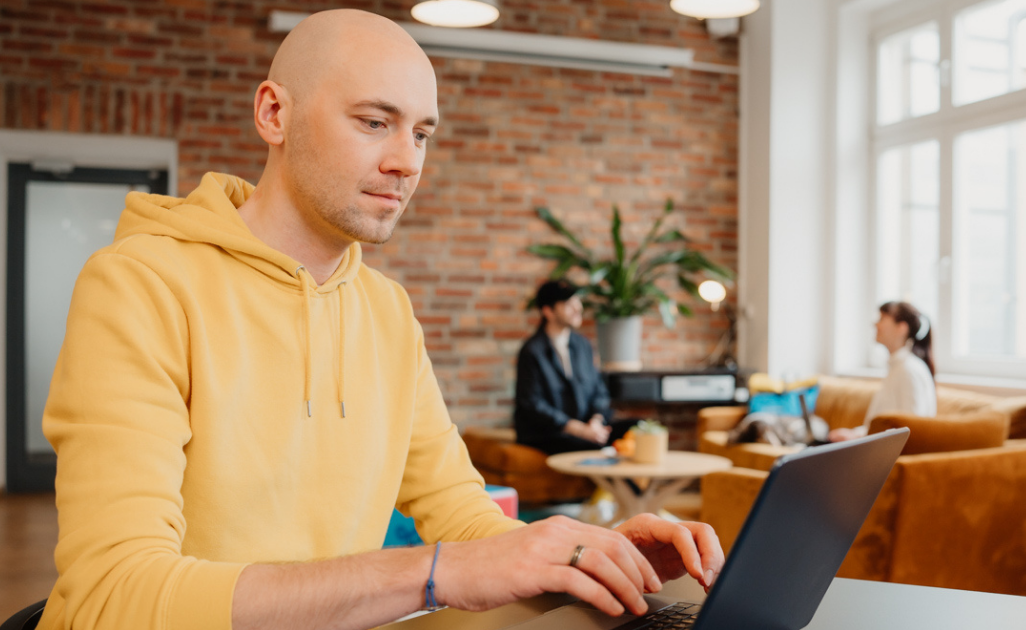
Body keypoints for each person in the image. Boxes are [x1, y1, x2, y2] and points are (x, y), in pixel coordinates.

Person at [37, 10, 722, 630]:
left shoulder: (387, 312)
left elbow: (460, 512)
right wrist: (433, 572)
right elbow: (113, 597)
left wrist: (580, 554)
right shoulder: (140, 285)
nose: (406, 162)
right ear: (274, 114)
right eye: (373, 121)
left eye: (421, 133)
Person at [514, 280, 631, 454]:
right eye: (569, 304)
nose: (578, 308)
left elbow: (599, 391)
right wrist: (578, 429)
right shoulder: (531, 351)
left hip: (587, 426)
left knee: (639, 428)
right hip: (551, 433)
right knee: (595, 447)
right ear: (548, 311)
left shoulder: (583, 345)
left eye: (578, 301)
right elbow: (533, 404)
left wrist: (596, 421)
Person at [829, 301, 937, 442]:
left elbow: (911, 430)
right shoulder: (898, 367)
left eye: (881, 319)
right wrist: (855, 434)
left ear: (901, 328)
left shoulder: (908, 370)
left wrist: (858, 437)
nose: (875, 325)